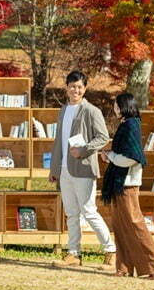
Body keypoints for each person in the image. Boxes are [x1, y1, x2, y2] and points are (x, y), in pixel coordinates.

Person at [48, 71, 115, 269]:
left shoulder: (91, 111)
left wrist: (84, 151)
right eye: (72, 86)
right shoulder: (63, 110)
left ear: (85, 89)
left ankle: (111, 251)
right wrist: (54, 168)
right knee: (71, 213)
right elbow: (58, 141)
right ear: (66, 87)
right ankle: (74, 254)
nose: (75, 90)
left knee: (89, 211)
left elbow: (103, 138)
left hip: (84, 169)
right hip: (64, 169)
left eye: (79, 87)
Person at [101, 92, 154, 279]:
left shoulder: (131, 125)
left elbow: (132, 158)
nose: (114, 108)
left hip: (127, 185)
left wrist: (111, 156)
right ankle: (123, 268)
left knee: (135, 224)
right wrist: (111, 156)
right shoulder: (125, 124)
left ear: (124, 106)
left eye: (116, 105)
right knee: (120, 226)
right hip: (119, 183)